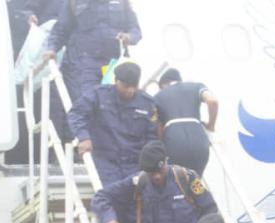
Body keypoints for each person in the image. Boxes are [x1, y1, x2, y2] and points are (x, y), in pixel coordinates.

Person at [42, 0, 142, 139]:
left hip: (113, 64)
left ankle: (107, 149)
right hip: (83, 64)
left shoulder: (122, 2)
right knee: (85, 104)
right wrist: (51, 48)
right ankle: (81, 147)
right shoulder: (74, 2)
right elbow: (61, 29)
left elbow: (135, 29)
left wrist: (129, 37)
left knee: (114, 106)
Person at [68, 61, 158, 186]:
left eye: (134, 86)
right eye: (126, 86)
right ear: (116, 81)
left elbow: (152, 135)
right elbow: (76, 114)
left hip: (134, 163)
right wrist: (84, 137)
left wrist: (150, 160)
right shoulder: (98, 95)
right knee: (112, 196)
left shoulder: (147, 103)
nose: (130, 90)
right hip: (105, 161)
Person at [154, 68, 218, 175]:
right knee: (195, 181)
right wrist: (211, 126)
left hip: (174, 143)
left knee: (176, 182)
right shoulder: (196, 87)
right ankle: (196, 189)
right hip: (199, 141)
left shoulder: (157, 97)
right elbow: (212, 101)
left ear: (163, 84)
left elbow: (159, 127)